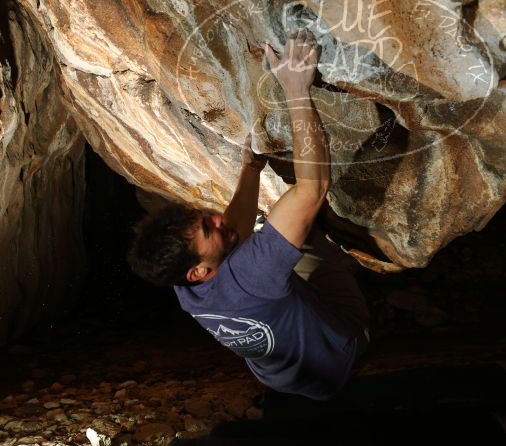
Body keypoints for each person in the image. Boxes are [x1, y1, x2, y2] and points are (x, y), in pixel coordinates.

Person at [127, 28, 370, 401]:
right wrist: (295, 89)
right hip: (341, 357)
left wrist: (251, 169)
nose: (218, 219)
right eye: (210, 229)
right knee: (305, 232)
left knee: (255, 236)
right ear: (200, 272)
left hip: (278, 377)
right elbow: (313, 188)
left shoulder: (185, 285)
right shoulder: (253, 275)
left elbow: (234, 228)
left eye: (205, 217)